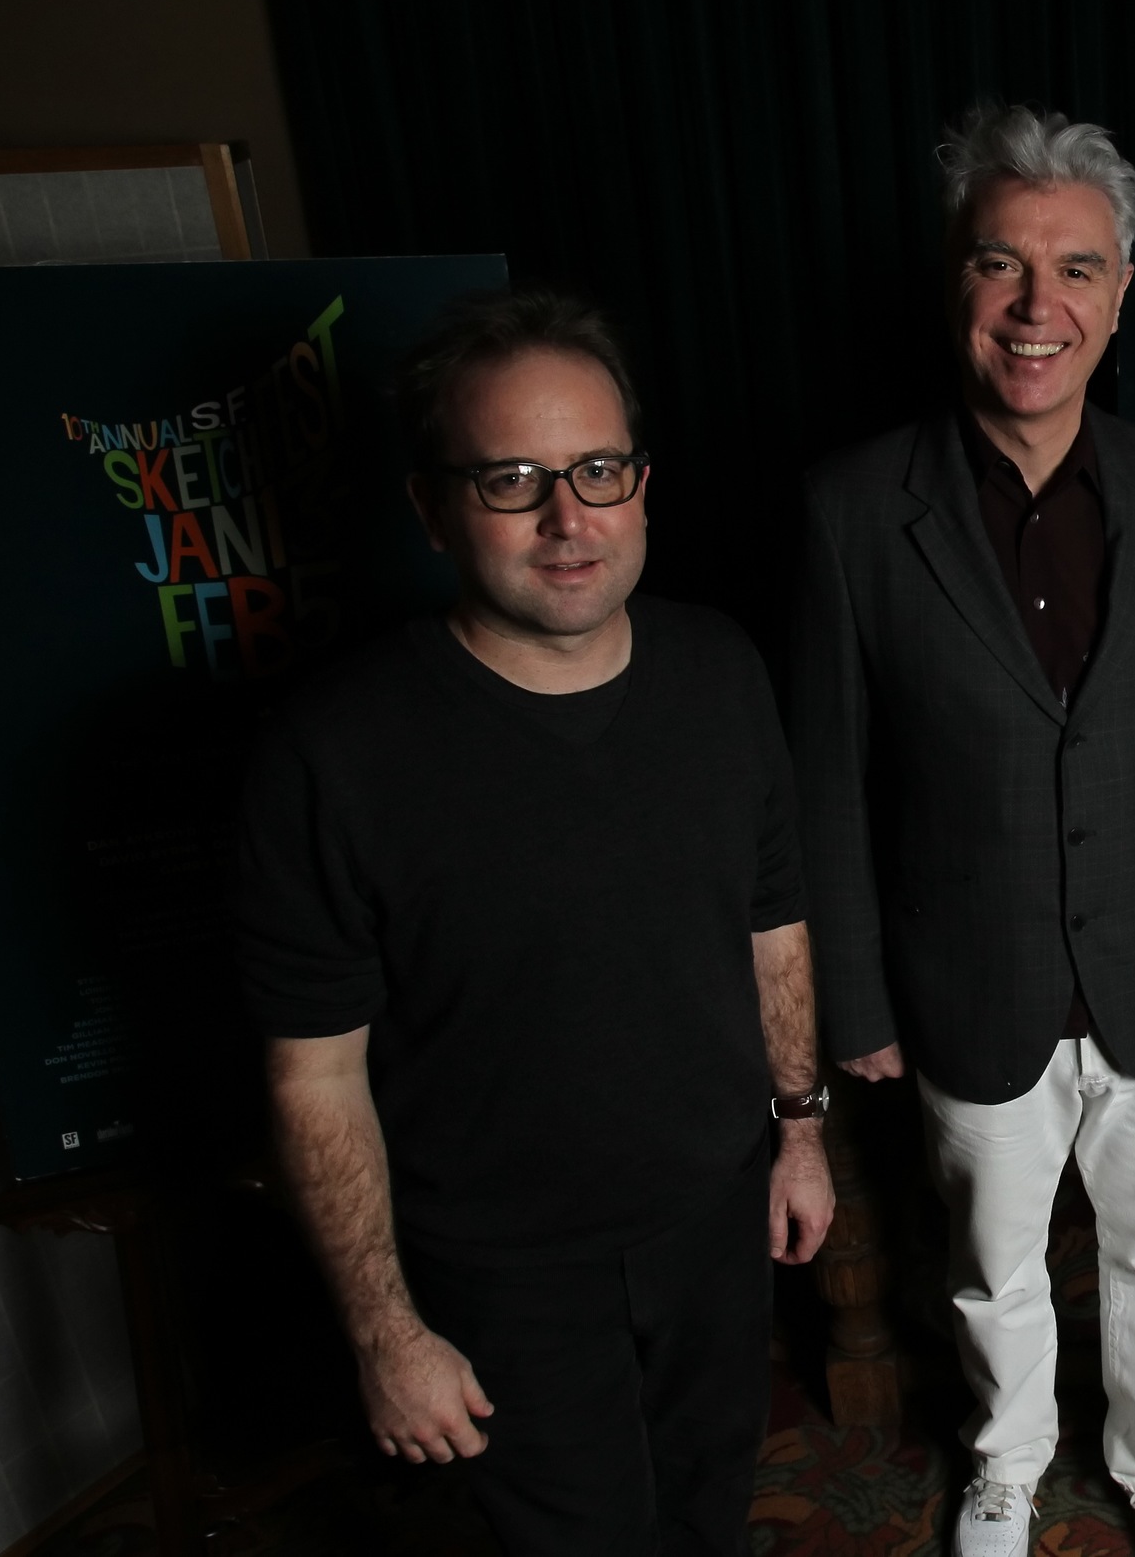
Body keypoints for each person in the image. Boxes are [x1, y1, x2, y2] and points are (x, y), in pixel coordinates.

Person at [239, 289, 834, 1556]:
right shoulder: (335, 753)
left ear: (641, 482)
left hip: (712, 1221)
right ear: (432, 507)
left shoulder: (721, 668)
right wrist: (386, 1331)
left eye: (597, 470)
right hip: (501, 1270)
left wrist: (798, 1131)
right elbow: (313, 1077)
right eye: (512, 479)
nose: (569, 517)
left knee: (711, 1513)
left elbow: (771, 924)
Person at [794, 105, 1135, 1557]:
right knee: (994, 1272)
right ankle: (1008, 1460)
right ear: (954, 283)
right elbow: (830, 776)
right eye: (1002, 264)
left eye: (1078, 269)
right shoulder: (854, 508)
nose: (1038, 306)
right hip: (963, 981)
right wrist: (853, 1000)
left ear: (1121, 293)